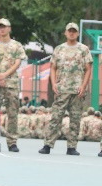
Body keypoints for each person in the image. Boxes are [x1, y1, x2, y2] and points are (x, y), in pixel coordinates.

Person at [39, 22, 93, 156]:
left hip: (77, 90)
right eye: (70, 31)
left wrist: (83, 86)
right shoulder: (59, 49)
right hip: (61, 89)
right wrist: (53, 84)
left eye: (74, 31)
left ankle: (72, 147)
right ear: (65, 33)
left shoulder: (83, 49)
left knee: (75, 119)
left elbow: (88, 69)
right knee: (56, 117)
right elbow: (52, 68)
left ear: (78, 33)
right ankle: (47, 145)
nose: (72, 33)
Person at [0, 18, 26, 152]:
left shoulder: (17, 45)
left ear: (9, 28)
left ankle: (12, 142)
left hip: (11, 84)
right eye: (0, 27)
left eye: (4, 26)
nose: (2, 29)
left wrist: (4, 75)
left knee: (12, 114)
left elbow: (17, 63)